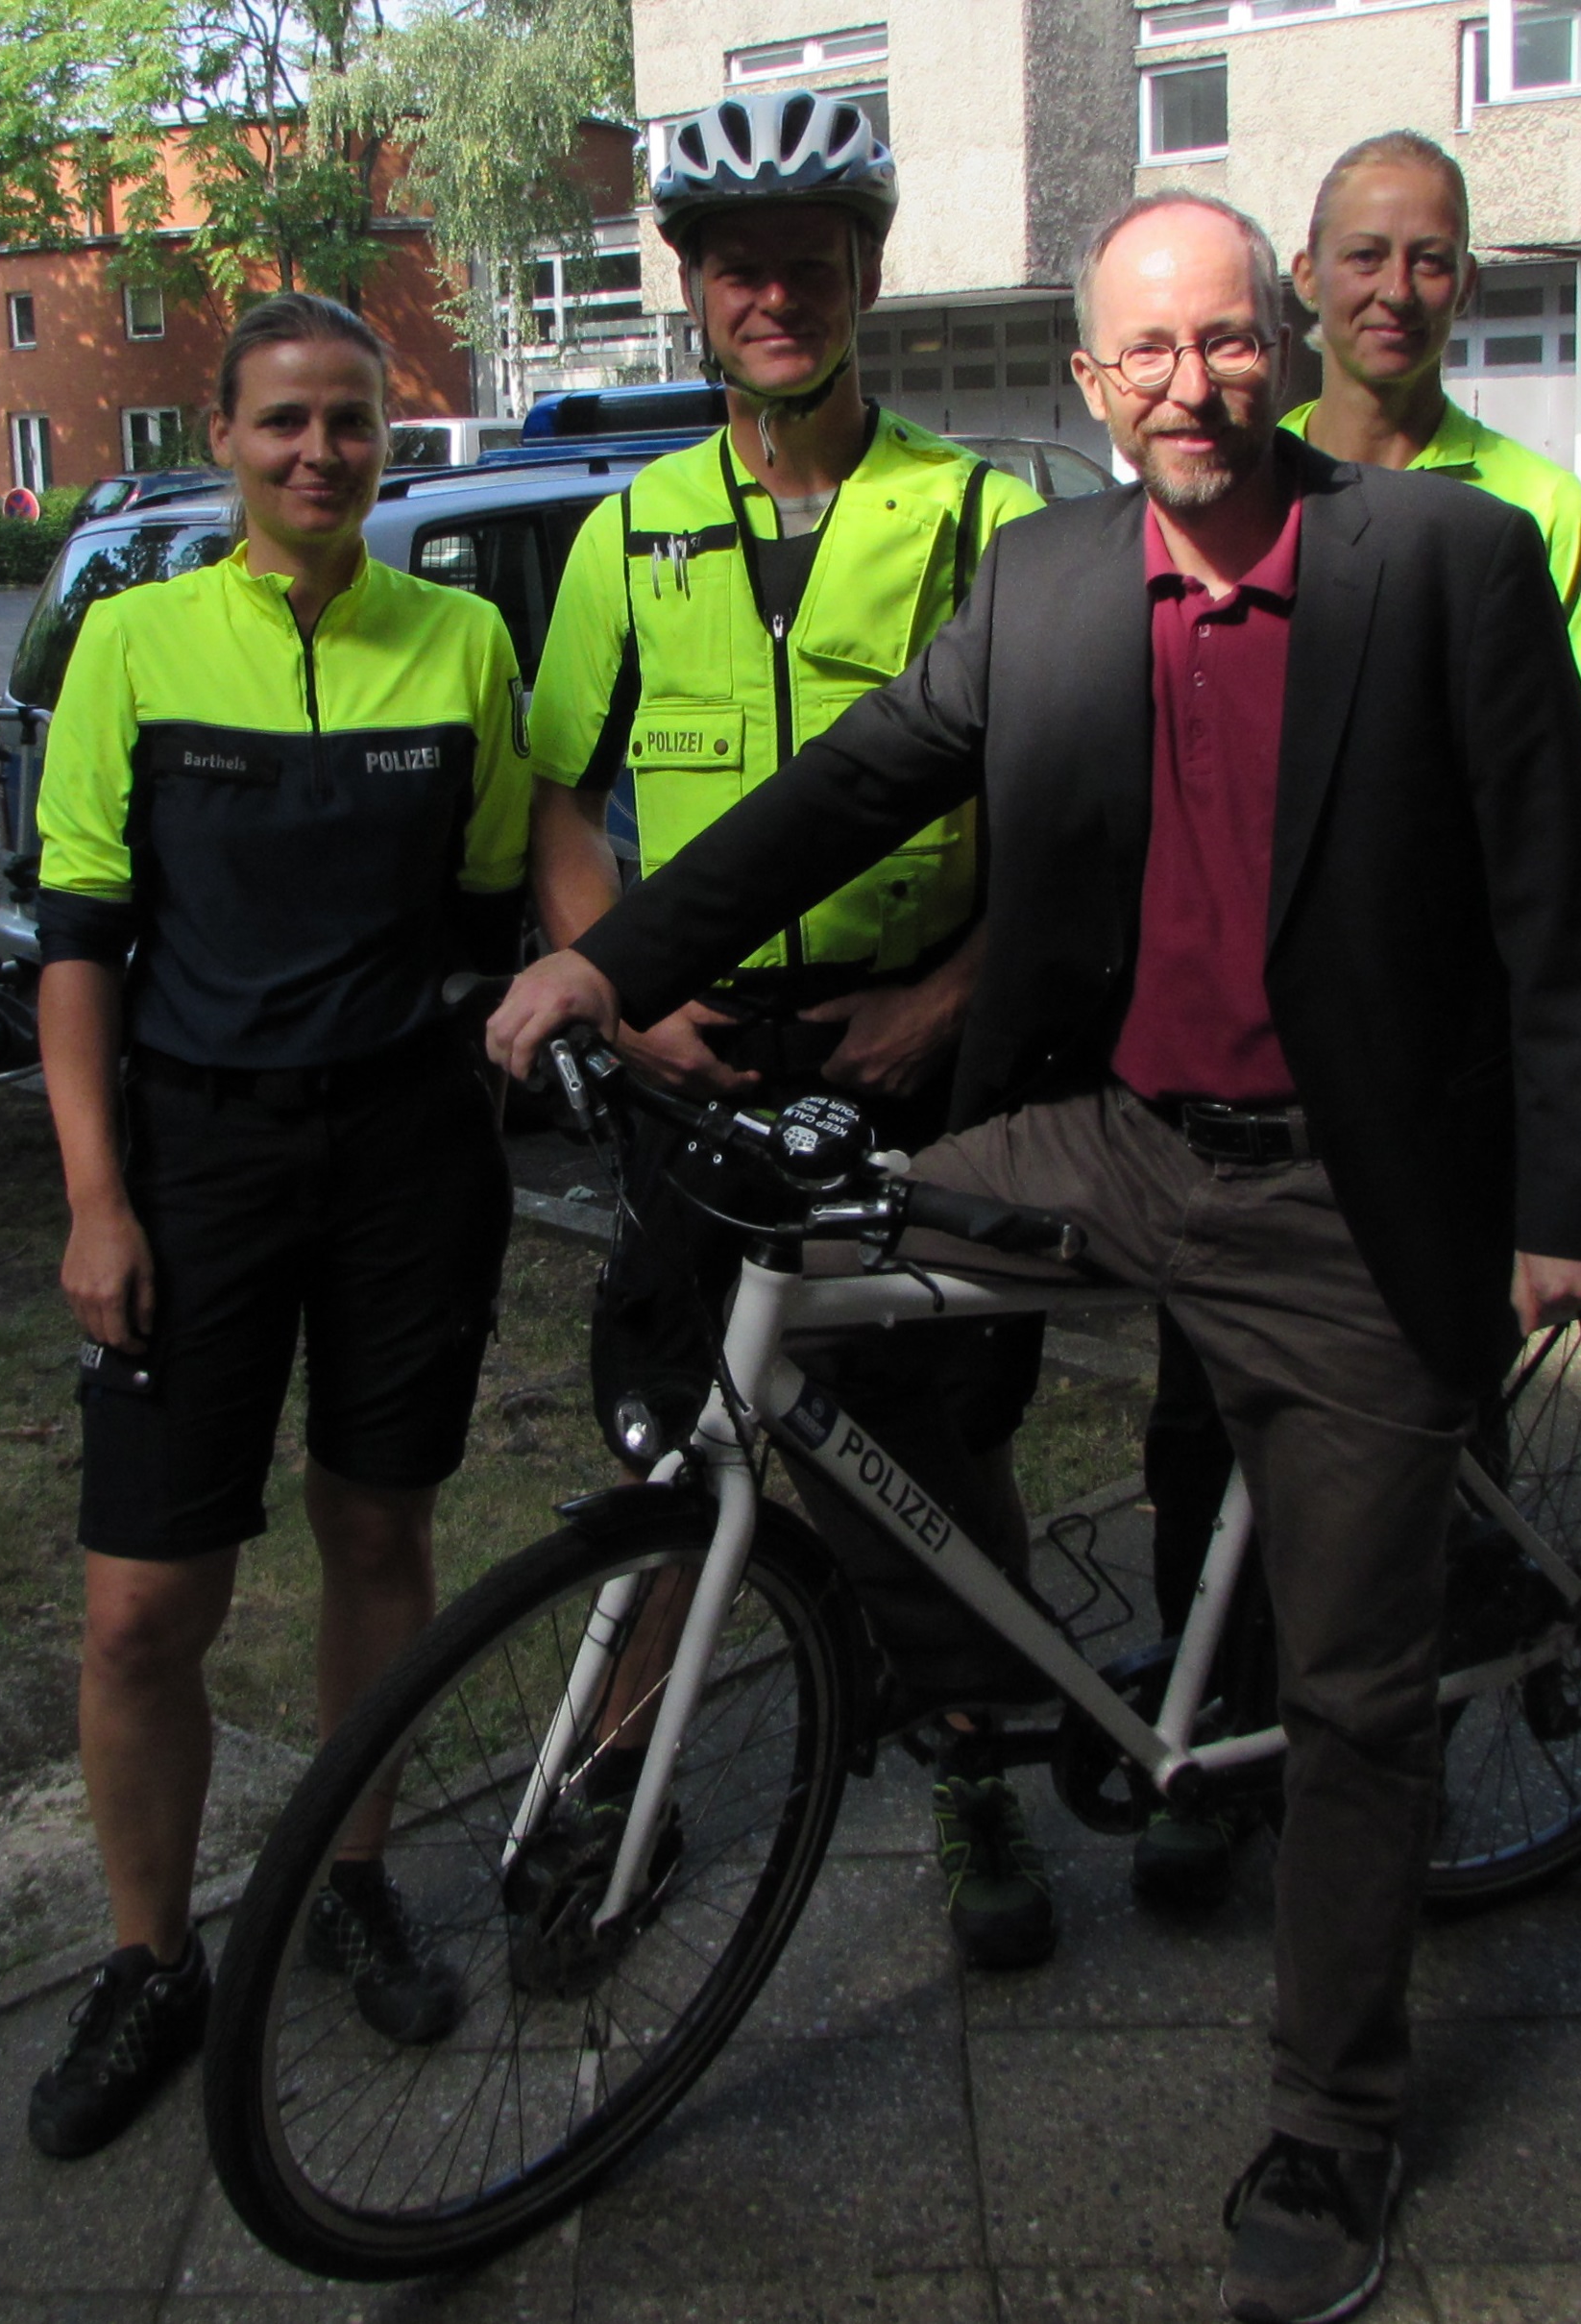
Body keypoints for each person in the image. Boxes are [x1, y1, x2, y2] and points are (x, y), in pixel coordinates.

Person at [491, 190, 1581, 2324]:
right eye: (1142, 356)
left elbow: (1557, 900)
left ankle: (1330, 2119)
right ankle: (988, 1727)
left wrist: (1568, 1204)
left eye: (1223, 343)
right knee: (801, 1270)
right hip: (1111, 1140)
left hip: (1341, 1192)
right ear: (1091, 383)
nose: (1184, 388)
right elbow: (840, 789)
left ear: (1281, 346)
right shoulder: (1040, 586)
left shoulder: (1443, 564)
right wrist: (605, 962)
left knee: (1351, 1694)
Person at [527, 88, 1055, 1969]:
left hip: (905, 1046)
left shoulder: (981, 510)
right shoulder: (628, 527)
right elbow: (559, 802)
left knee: (933, 1428)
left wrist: (945, 995)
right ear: (687, 291)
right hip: (701, 1062)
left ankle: (977, 1754)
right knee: (679, 1429)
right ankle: (617, 1779)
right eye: (736, 266)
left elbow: (1073, 807)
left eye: (808, 263)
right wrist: (631, 993)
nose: (773, 295)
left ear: (866, 276)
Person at [27, 291, 531, 2159]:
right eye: (282, 422)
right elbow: (81, 941)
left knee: (378, 1525)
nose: (319, 453)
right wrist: (95, 1198)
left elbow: (490, 904)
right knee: (144, 1606)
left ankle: (352, 1874)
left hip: (408, 1156)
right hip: (193, 1162)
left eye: (350, 422)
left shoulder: (466, 640)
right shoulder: (136, 643)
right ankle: (151, 1958)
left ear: (389, 438)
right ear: (222, 438)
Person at [1137, 128, 1581, 1905]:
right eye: (1361, 254)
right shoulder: (1223, 486)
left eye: (1427, 259)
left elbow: (1561, 869)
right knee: (1196, 1439)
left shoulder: (1527, 516)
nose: (1392, 290)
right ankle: (1210, 1743)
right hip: (1235, 1096)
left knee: (1416, 1475)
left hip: (1423, 1095)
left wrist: (1552, 1166)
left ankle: (1387, 1796)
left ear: (1466, 283)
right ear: (1301, 279)